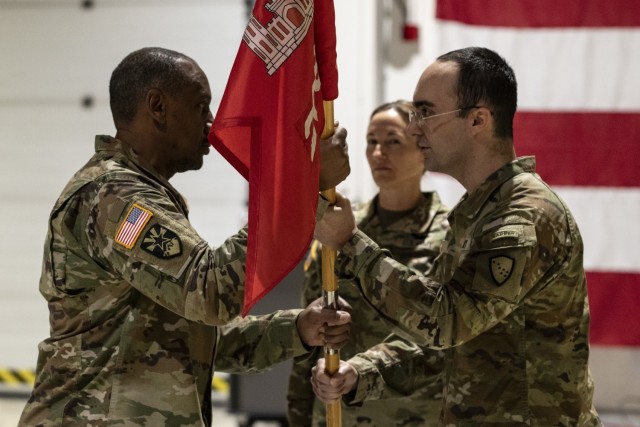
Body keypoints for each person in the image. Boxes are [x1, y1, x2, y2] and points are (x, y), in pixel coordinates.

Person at [19, 47, 351, 427]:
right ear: (157, 106)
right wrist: (304, 185)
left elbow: (189, 336)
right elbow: (208, 292)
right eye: (200, 106)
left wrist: (296, 330)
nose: (211, 121)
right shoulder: (114, 196)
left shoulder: (142, 195)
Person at [311, 47, 602, 425]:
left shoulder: (523, 216)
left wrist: (351, 242)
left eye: (426, 113)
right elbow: (443, 346)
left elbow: (448, 321)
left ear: (478, 120)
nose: (414, 128)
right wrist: (362, 373)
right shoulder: (478, 213)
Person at [287, 100, 450, 427]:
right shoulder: (341, 226)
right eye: (372, 141)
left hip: (414, 415)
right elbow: (308, 334)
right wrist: (299, 416)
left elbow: (442, 337)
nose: (379, 152)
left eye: (393, 141)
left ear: (423, 149)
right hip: (338, 416)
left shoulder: (449, 234)